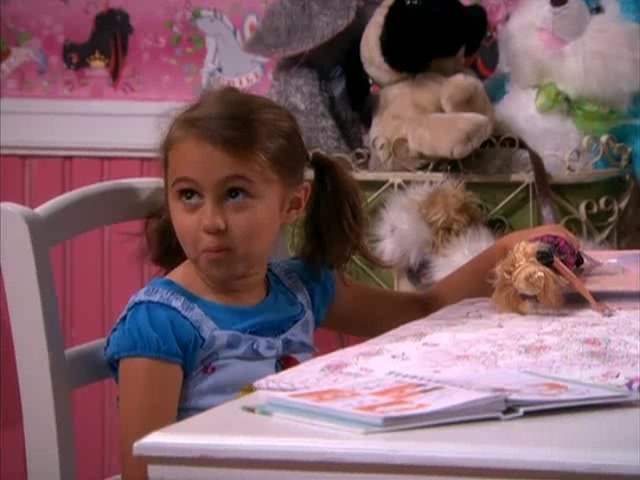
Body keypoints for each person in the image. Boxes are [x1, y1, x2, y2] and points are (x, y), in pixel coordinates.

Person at [104, 85, 578, 479]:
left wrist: (507, 249)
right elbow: (143, 471)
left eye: (234, 194)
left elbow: (423, 309)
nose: (211, 221)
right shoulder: (159, 324)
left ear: (294, 203)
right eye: (189, 195)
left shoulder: (300, 289)